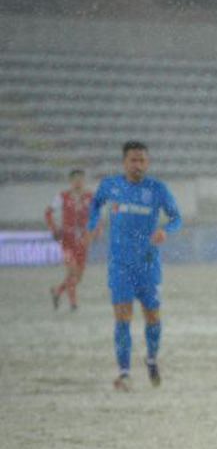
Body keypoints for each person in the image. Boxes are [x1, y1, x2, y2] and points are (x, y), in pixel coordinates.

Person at [87, 141, 182, 391]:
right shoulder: (111, 186)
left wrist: (165, 230)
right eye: (133, 160)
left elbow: (176, 217)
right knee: (123, 318)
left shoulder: (158, 189)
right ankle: (125, 373)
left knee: (152, 317)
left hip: (149, 264)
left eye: (142, 160)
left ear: (147, 163)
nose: (138, 165)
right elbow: (95, 205)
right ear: (124, 162)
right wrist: (92, 226)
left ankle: (151, 359)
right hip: (120, 265)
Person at [45, 169, 93, 312]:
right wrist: (54, 229)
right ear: (71, 181)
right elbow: (48, 213)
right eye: (75, 180)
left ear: (84, 181)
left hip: (83, 240)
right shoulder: (63, 196)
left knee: (78, 277)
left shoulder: (91, 196)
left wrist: (94, 232)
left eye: (81, 179)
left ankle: (57, 291)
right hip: (67, 240)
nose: (78, 182)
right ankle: (73, 304)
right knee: (71, 271)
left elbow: (96, 216)